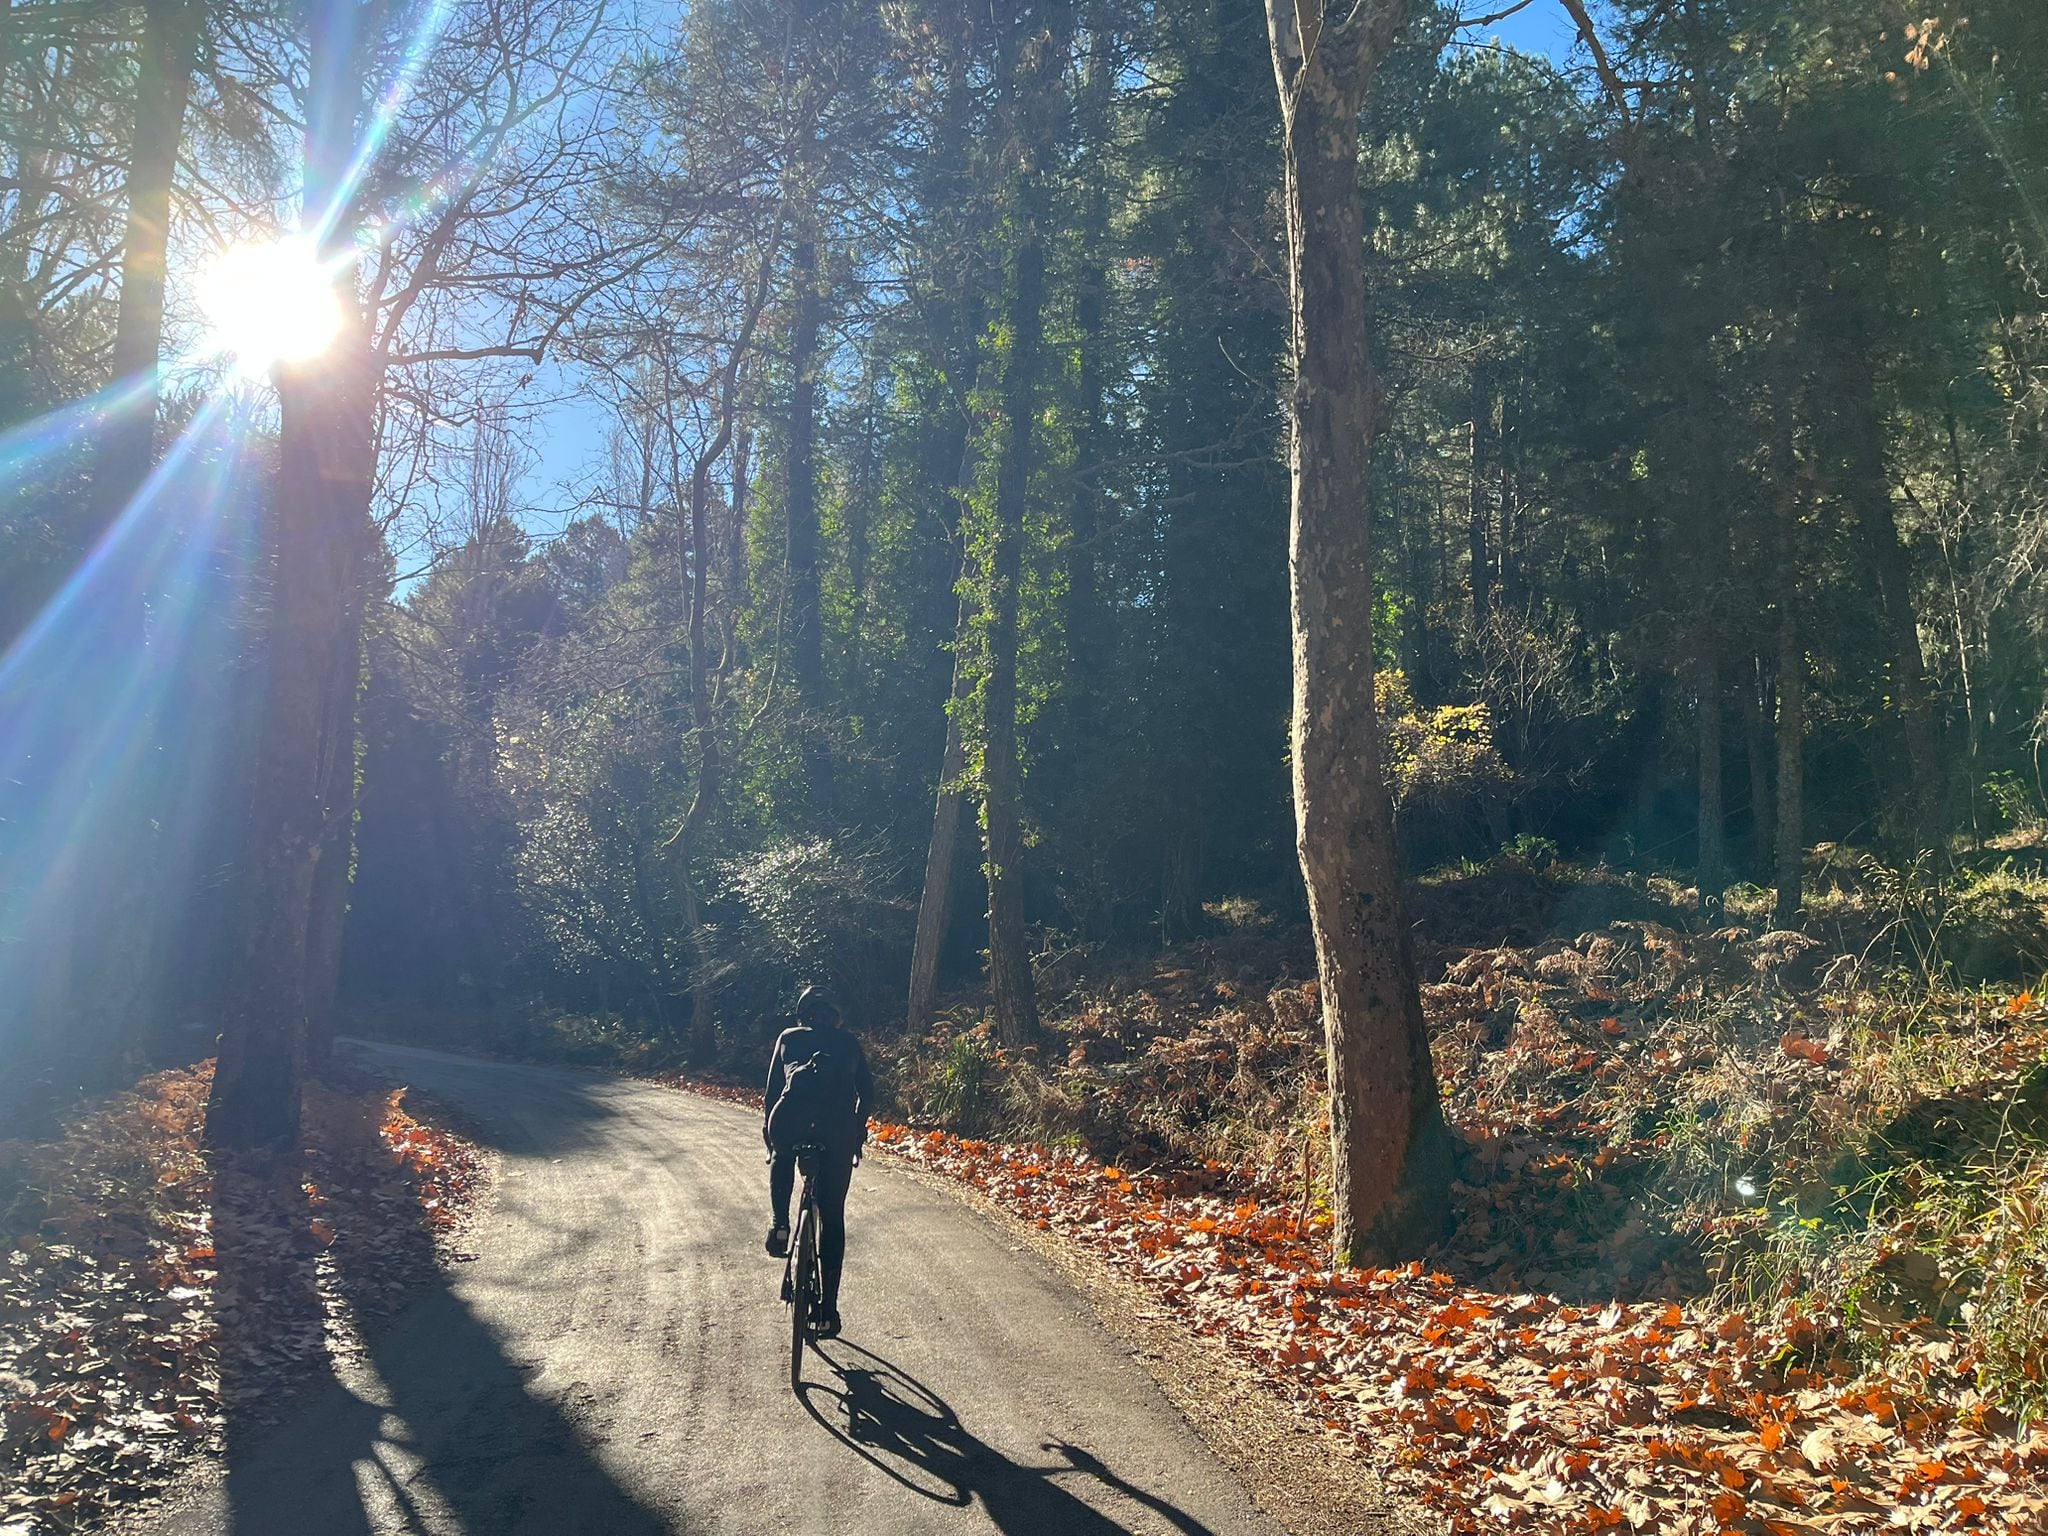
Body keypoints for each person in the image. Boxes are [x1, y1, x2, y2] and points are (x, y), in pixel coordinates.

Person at [762, 984, 872, 1337]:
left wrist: (771, 1139)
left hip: (791, 1119)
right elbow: (867, 1094)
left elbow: (771, 1092)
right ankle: (827, 1310)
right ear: (835, 1016)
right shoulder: (849, 1043)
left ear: (802, 1013)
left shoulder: (789, 1037)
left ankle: (780, 1224)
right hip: (836, 1129)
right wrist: (857, 1132)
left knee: (782, 1154)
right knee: (832, 1216)